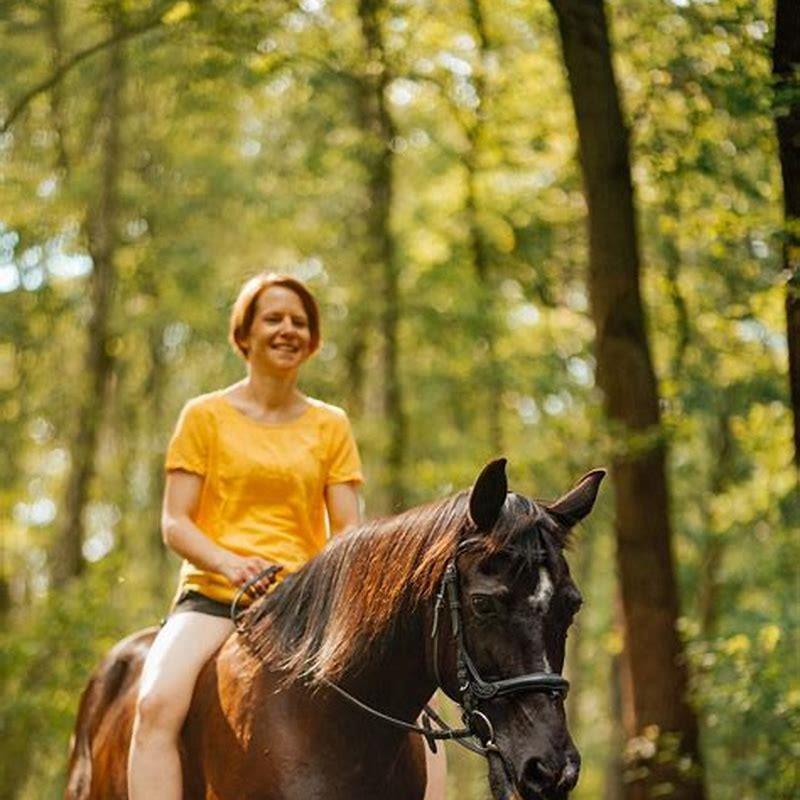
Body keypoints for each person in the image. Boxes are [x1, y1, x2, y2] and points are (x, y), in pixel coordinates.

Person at [127, 272, 446, 799]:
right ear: (244, 334)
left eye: (300, 322)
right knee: (155, 703)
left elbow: (348, 534)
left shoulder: (331, 425)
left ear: (313, 340)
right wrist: (229, 563)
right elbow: (175, 522)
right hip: (213, 597)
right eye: (273, 318)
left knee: (424, 718)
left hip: (307, 608)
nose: (288, 329)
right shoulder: (203, 416)